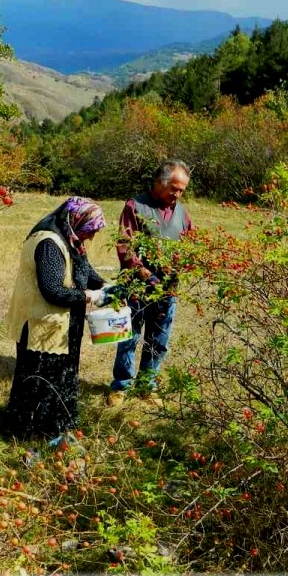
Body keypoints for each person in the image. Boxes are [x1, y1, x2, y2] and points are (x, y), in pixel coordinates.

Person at [5, 197, 109, 444]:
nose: (90, 237)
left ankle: (55, 428)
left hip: (61, 323)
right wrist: (90, 296)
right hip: (41, 324)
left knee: (62, 375)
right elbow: (52, 290)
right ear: (76, 220)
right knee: (42, 379)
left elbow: (84, 269)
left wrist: (105, 285)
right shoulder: (49, 243)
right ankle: (33, 434)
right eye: (89, 230)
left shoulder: (70, 238)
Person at [107, 160, 193, 407]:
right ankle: (121, 386)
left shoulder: (181, 212)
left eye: (181, 190)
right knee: (130, 337)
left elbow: (190, 243)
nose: (177, 194)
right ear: (158, 183)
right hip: (137, 287)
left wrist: (188, 261)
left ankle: (147, 386)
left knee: (159, 339)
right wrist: (144, 272)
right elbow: (124, 245)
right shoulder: (136, 206)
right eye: (173, 188)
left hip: (167, 289)